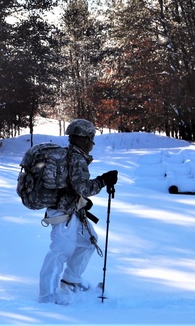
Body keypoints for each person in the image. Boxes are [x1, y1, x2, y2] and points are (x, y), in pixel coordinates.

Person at [38, 118, 118, 304]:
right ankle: (46, 297)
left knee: (88, 242)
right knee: (60, 251)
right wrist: (103, 181)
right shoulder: (75, 158)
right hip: (61, 213)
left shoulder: (72, 156)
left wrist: (82, 202)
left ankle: (71, 280)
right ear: (83, 138)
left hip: (71, 210)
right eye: (91, 138)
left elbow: (72, 187)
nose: (92, 143)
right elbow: (83, 188)